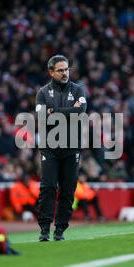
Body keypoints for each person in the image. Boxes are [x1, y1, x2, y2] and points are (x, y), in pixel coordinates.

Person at [35, 54, 87, 241]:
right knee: (48, 187)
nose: (65, 73)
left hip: (72, 147)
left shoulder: (79, 90)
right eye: (60, 70)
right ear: (51, 72)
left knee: (67, 189)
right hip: (50, 147)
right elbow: (42, 119)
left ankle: (60, 230)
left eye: (66, 69)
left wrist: (54, 112)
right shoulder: (42, 93)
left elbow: (79, 112)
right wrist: (68, 112)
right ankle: (44, 229)